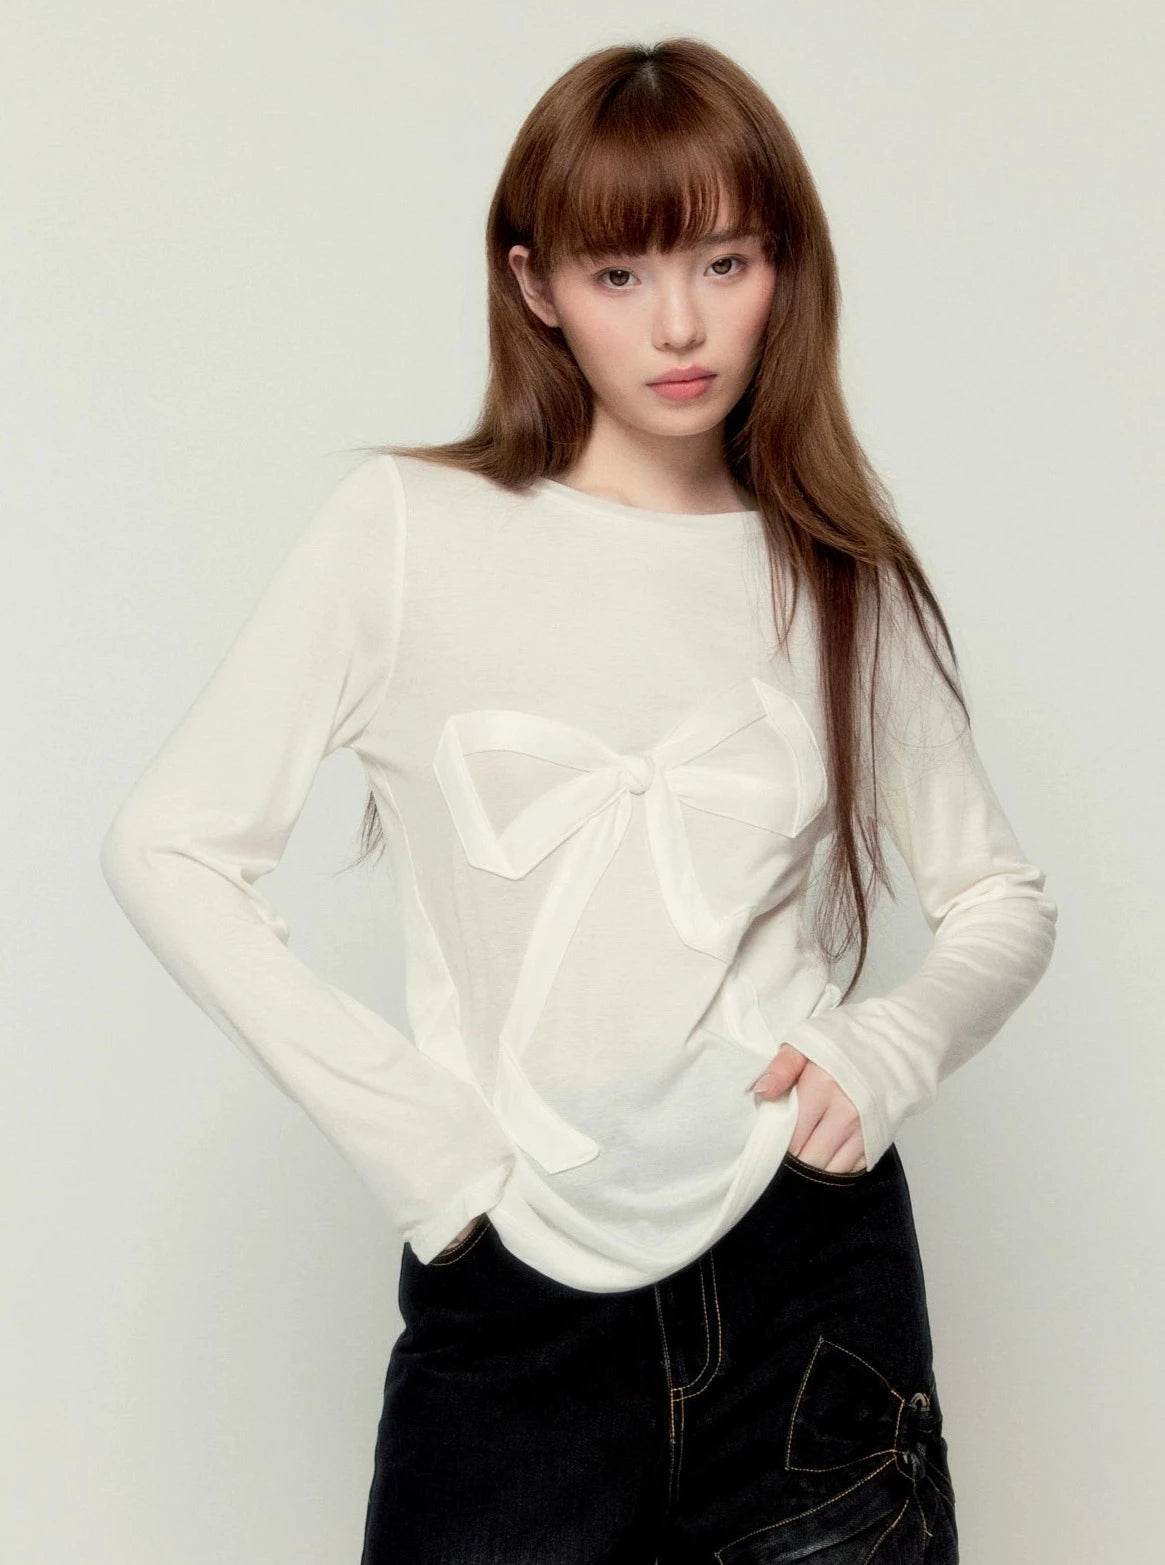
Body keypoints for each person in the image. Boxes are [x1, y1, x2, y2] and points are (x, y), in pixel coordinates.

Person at [99, 36, 1057, 1565]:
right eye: (620, 273)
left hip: (809, 1281)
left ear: (782, 268)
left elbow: (999, 899)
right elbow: (168, 848)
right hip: (511, 1299)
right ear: (535, 284)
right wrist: (425, 1146)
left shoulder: (834, 574)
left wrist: (884, 1048)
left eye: (724, 261)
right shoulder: (407, 529)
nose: (679, 324)